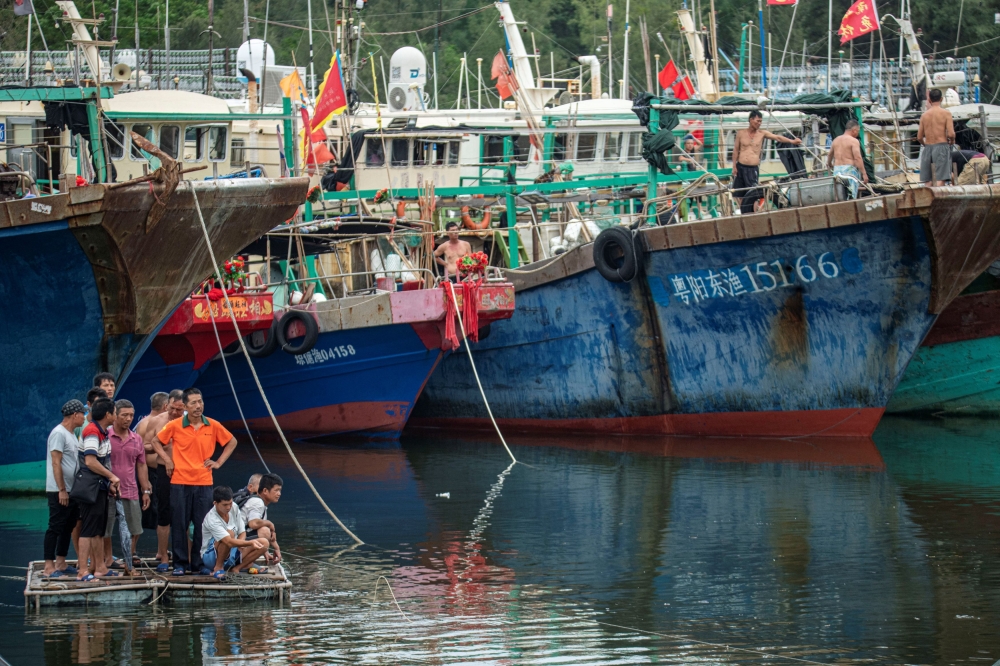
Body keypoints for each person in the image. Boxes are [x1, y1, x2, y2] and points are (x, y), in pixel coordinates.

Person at [154, 388, 238, 576]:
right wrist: (167, 460)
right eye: (193, 403)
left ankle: (198, 563)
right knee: (179, 523)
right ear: (184, 406)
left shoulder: (213, 425)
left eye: (200, 401)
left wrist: (218, 462)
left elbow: (232, 442)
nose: (198, 406)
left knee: (202, 525)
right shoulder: (175, 425)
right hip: (179, 481)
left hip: (204, 481)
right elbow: (155, 441)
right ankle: (180, 564)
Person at [76, 398, 121, 581]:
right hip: (90, 487)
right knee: (87, 529)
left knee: (98, 529)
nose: (116, 415)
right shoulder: (92, 431)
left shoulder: (103, 432)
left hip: (100, 486)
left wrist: (109, 482)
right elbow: (90, 461)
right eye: (115, 412)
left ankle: (99, 567)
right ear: (108, 414)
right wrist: (112, 477)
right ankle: (82, 571)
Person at [104, 400, 151, 569]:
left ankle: (129, 555)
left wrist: (145, 490)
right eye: (124, 415)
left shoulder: (136, 439)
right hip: (107, 490)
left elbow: (141, 464)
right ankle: (108, 558)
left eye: (131, 415)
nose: (128, 418)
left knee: (135, 527)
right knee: (106, 528)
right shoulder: (105, 436)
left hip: (130, 489)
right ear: (115, 415)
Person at [142, 389, 185, 570]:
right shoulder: (156, 421)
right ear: (167, 405)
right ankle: (163, 555)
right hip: (163, 471)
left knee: (184, 514)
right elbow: (144, 446)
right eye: (173, 409)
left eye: (180, 410)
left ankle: (183, 555)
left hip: (185, 472)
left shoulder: (192, 422)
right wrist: (160, 446)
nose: (176, 413)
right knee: (163, 514)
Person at [43, 400, 86, 577]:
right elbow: (56, 462)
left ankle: (61, 561)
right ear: (75, 414)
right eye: (82, 414)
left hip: (72, 489)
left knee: (68, 526)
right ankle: (48, 566)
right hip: (59, 490)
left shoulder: (71, 434)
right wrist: (61, 489)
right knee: (55, 526)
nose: (84, 417)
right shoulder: (58, 433)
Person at [731, 110, 803, 208]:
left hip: (752, 169)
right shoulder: (741, 133)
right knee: (739, 193)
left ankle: (754, 213)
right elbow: (735, 150)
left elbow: (778, 137)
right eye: (757, 121)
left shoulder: (762, 133)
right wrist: (734, 166)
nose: (759, 123)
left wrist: (792, 141)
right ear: (751, 120)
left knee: (752, 194)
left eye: (761, 121)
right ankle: (744, 211)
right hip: (740, 166)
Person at [200, 486, 268, 578]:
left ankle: (237, 568)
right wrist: (249, 543)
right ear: (215, 503)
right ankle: (218, 567)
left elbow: (242, 532)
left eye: (230, 503)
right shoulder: (212, 518)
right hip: (211, 558)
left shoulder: (234, 507)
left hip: (232, 551)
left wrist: (241, 544)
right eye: (225, 505)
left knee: (264, 543)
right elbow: (228, 541)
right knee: (230, 534)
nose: (228, 507)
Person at [237, 473, 283, 571]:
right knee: (265, 530)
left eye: (280, 490)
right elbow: (253, 524)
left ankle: (248, 561)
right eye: (276, 490)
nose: (279, 494)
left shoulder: (259, 502)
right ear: (265, 491)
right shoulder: (257, 503)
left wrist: (274, 549)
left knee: (265, 529)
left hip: (240, 539)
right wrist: (270, 524)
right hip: (235, 543)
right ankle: (245, 564)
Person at [136, 392, 168, 532]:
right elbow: (139, 451)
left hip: (156, 471)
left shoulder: (142, 423)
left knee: (156, 511)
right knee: (152, 511)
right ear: (165, 406)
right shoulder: (151, 423)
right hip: (150, 472)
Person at [917, 88, 955, 186]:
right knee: (941, 178)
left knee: (928, 180)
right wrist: (952, 141)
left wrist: (925, 144)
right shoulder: (946, 113)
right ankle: (938, 199)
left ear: (929, 100)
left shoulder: (924, 115)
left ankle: (927, 199)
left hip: (928, 147)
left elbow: (919, 137)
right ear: (941, 99)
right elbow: (951, 134)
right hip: (941, 146)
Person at [826, 120, 869, 199]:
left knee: (839, 195)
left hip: (837, 170)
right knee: (850, 195)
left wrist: (829, 164)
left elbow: (830, 155)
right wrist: (864, 173)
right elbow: (857, 158)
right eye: (858, 131)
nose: (858, 133)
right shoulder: (853, 141)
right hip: (849, 171)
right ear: (854, 130)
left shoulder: (836, 140)